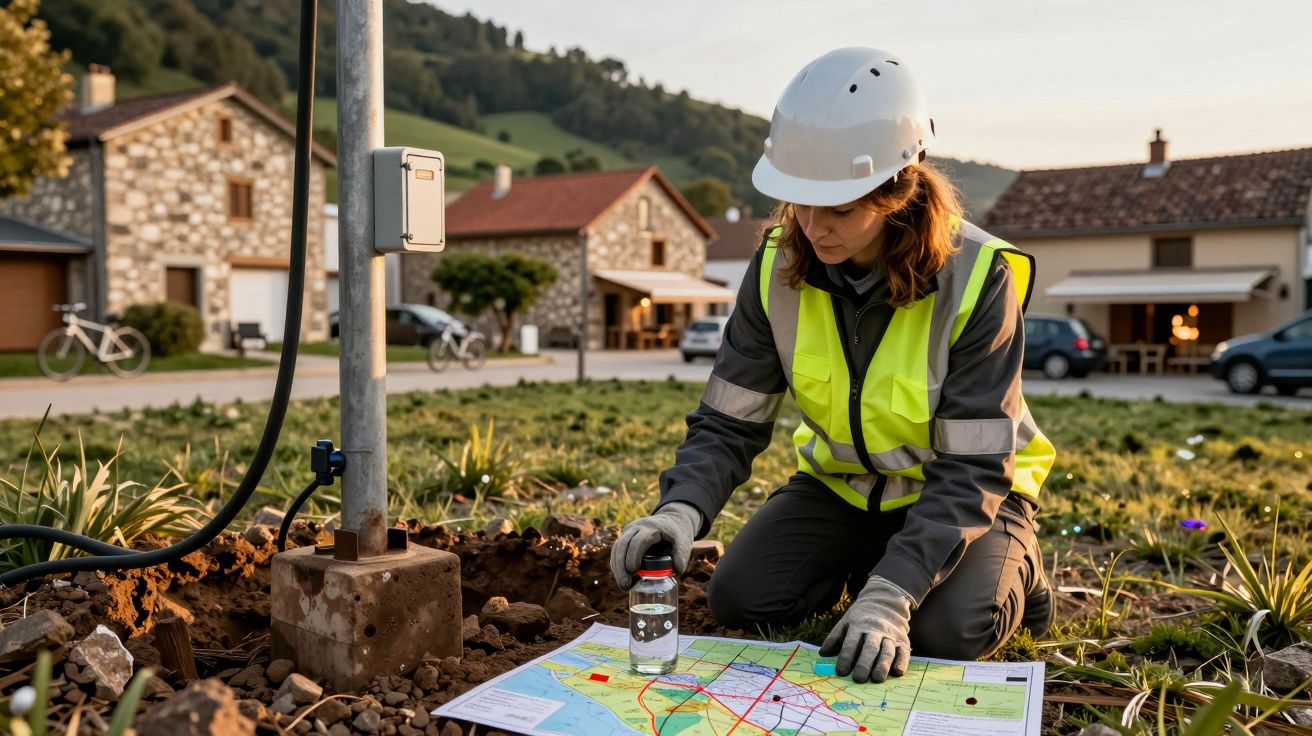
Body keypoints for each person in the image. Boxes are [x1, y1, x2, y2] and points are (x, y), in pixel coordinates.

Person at [610, 47, 1057, 685]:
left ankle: (1018, 568)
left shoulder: (979, 278)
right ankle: (883, 559)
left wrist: (892, 594)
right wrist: (681, 509)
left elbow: (973, 466)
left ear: (897, 191)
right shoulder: (774, 267)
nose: (813, 228)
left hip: (967, 496)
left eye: (840, 209)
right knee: (740, 597)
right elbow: (730, 420)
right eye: (799, 202)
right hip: (844, 488)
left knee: (946, 633)